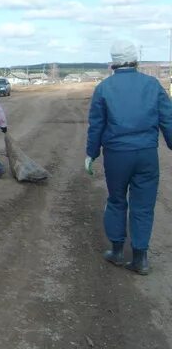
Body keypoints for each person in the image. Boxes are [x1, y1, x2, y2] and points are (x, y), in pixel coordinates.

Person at [86, 40, 172, 275]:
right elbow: (168, 118)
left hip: (117, 155)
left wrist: (91, 153)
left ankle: (116, 251)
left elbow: (96, 125)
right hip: (146, 154)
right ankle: (140, 258)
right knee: (143, 207)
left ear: (113, 61)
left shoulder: (104, 88)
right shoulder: (153, 85)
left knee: (116, 200)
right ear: (136, 59)